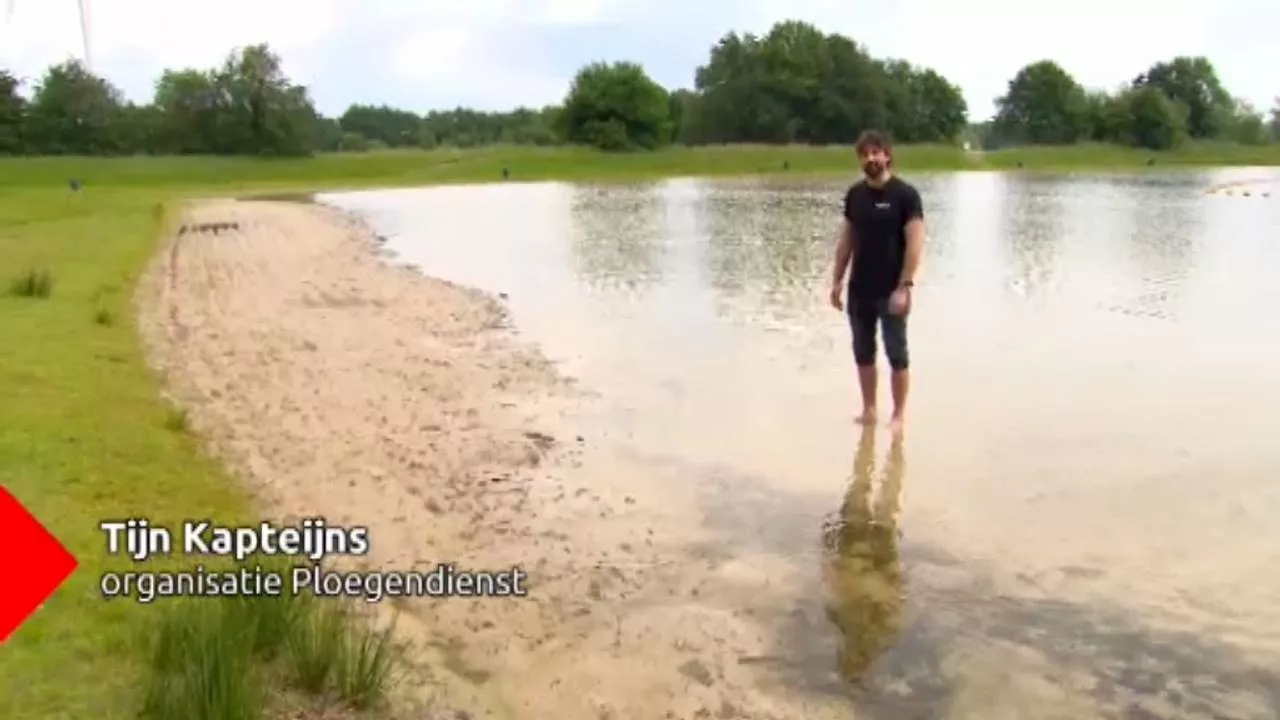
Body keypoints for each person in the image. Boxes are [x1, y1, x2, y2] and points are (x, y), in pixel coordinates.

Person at [828, 130, 925, 434]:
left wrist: (906, 286)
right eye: (864, 154)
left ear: (887, 155)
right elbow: (847, 240)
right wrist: (836, 280)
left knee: (897, 353)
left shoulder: (906, 196)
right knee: (863, 352)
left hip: (892, 290)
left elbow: (915, 242)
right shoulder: (855, 195)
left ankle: (898, 415)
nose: (870, 158)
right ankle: (869, 409)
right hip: (860, 290)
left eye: (875, 152)